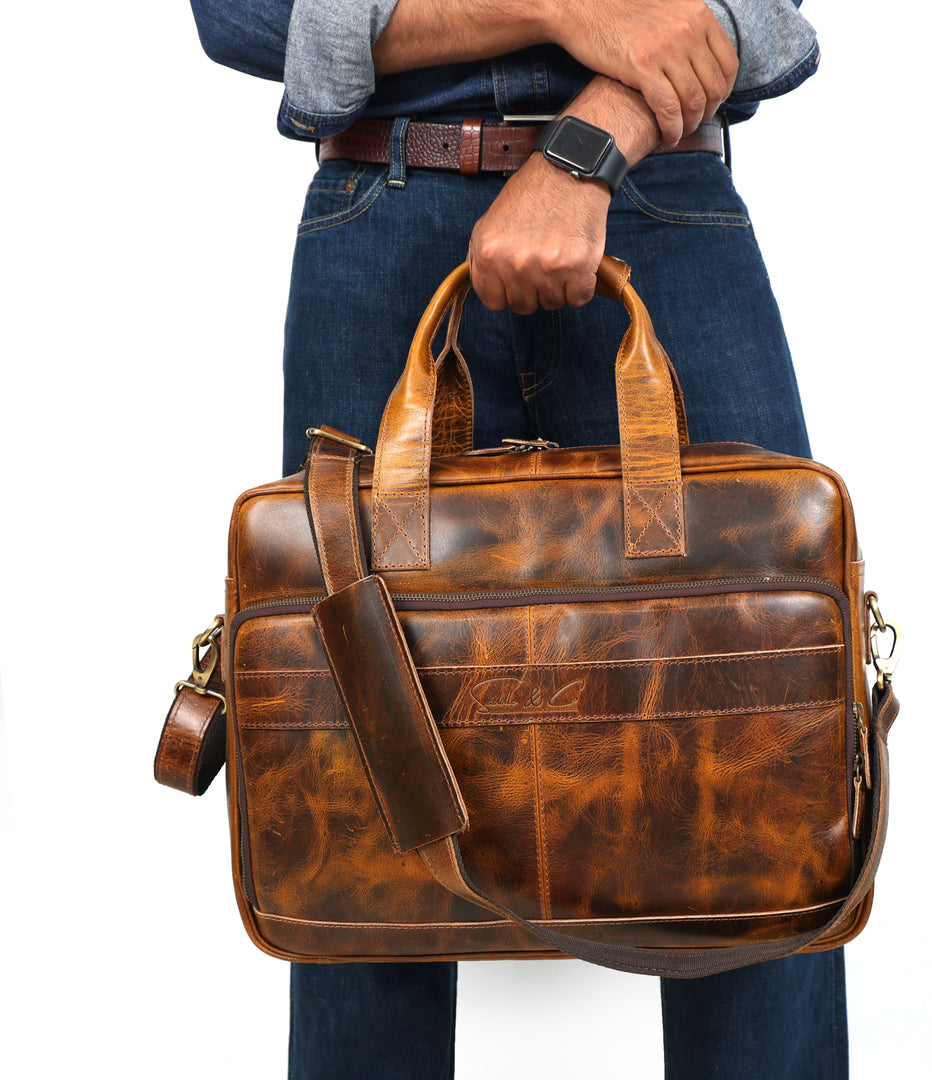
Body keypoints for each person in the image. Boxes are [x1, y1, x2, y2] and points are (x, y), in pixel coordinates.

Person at [187, 1, 848, 1076]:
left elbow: (758, 15)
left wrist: (584, 151)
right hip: (383, 213)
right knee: (360, 809)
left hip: (660, 201)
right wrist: (575, 10)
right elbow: (246, 15)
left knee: (758, 783)